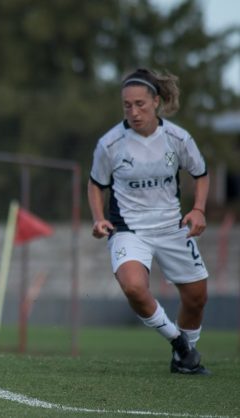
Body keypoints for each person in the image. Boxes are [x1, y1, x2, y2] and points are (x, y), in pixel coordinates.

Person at [88, 68, 210, 375]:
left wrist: (198, 209)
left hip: (172, 227)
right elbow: (95, 184)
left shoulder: (178, 138)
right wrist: (99, 218)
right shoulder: (110, 144)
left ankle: (185, 361)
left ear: (156, 101)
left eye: (140, 104)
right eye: (127, 105)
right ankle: (180, 345)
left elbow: (201, 174)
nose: (133, 111)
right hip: (129, 229)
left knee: (197, 297)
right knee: (133, 287)